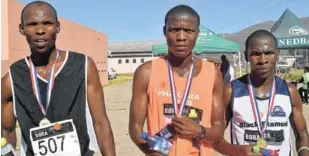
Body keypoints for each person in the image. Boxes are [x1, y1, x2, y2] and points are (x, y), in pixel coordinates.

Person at [1, 1, 116, 156]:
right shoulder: (11, 79)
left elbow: (101, 123)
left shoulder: (83, 66)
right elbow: (7, 131)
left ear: (57, 27)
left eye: (47, 23)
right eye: (32, 24)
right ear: (22, 29)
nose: (40, 30)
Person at [129, 4, 225, 156]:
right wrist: (151, 152)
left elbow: (218, 129)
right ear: (164, 32)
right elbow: (135, 127)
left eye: (189, 31)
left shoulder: (212, 73)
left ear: (197, 33)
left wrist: (199, 131)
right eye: (174, 30)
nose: (181, 37)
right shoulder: (146, 72)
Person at [212, 30, 309, 156]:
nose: (263, 60)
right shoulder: (231, 91)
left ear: (277, 55)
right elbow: (214, 138)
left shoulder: (289, 91)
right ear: (246, 56)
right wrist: (238, 151)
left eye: (268, 53)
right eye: (256, 54)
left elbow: (302, 134)